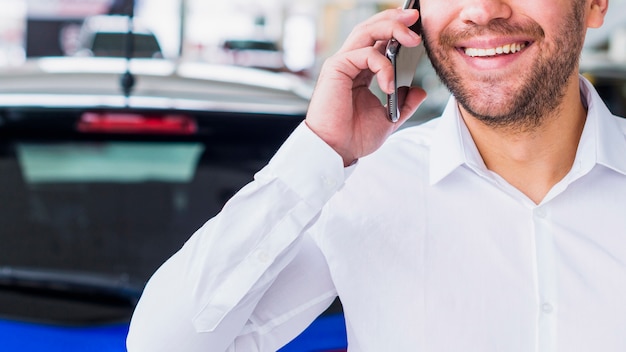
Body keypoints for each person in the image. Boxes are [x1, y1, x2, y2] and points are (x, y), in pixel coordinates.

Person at [127, 0, 626, 351]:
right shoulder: (363, 187)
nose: (482, 9)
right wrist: (320, 150)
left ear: (595, 3)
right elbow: (166, 344)